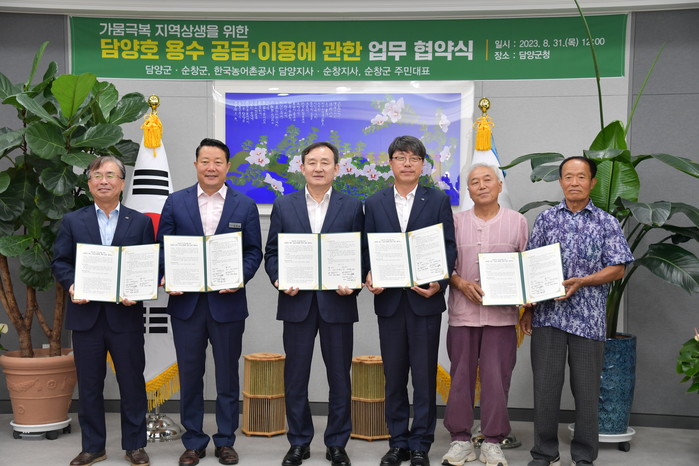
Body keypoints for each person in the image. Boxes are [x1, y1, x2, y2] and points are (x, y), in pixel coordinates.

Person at [520, 156, 634, 466]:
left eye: (581, 177)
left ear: (592, 182)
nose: (574, 182)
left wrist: (584, 281)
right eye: (568, 176)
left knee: (586, 392)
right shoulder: (546, 219)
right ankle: (544, 453)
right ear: (560, 181)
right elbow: (530, 265)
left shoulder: (606, 222)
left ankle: (584, 456)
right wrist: (527, 310)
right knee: (545, 389)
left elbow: (618, 268)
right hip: (548, 317)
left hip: (589, 319)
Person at [156, 138, 262, 466]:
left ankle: (226, 440)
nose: (211, 167)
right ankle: (194, 441)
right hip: (186, 304)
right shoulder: (176, 202)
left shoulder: (244, 205)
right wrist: (168, 275)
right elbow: (162, 247)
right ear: (196, 165)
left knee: (227, 375)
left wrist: (238, 277)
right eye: (205, 161)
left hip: (227, 304)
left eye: (218, 162)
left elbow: (253, 251)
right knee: (190, 375)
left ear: (228, 166)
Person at [265, 142, 364, 466]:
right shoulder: (284, 205)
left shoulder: (352, 206)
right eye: (312, 162)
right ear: (302, 167)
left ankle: (337, 443)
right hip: (297, 303)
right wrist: (279, 279)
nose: (318, 168)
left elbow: (361, 253)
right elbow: (272, 253)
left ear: (336, 168)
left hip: (338, 303)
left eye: (325, 162)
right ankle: (299, 442)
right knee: (295, 377)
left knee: (340, 378)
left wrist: (354, 283)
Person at [52, 156, 153, 466]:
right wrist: (72, 285)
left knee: (132, 383)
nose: (104, 181)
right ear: (89, 184)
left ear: (122, 183)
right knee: (90, 385)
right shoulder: (73, 221)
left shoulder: (140, 222)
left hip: (126, 316)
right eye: (97, 175)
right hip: (87, 318)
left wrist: (138, 291)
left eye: (110, 175)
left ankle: (135, 445)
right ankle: (93, 447)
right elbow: (60, 261)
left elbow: (148, 263)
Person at [364, 135, 457, 466]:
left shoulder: (438, 200)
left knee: (423, 377)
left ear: (422, 165)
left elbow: (448, 246)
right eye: (401, 157)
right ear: (390, 162)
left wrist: (439, 283)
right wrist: (369, 275)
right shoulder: (374, 202)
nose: (407, 163)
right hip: (389, 301)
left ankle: (420, 444)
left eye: (414, 158)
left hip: (425, 302)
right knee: (394, 377)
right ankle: (397, 442)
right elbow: (367, 248)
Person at [441, 164, 528, 466]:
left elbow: (526, 268)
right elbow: (445, 266)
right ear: (468, 190)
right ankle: (460, 439)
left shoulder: (517, 222)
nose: (481, 185)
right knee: (460, 377)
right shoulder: (455, 222)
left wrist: (528, 305)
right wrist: (460, 283)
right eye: (474, 182)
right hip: (462, 315)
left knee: (496, 378)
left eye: (487, 179)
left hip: (501, 317)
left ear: (500, 185)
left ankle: (492, 441)